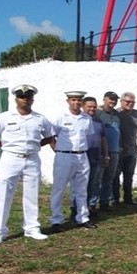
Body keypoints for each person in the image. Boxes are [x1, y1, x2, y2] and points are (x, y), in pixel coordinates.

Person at [0, 84, 54, 245]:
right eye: (22, 97)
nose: (25, 100)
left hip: (32, 159)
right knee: (4, 195)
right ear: (15, 99)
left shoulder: (40, 118)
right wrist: (5, 147)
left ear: (33, 99)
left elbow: (49, 137)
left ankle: (32, 228)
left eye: (28, 97)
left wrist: (35, 146)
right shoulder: (4, 117)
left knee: (32, 194)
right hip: (10, 158)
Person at [49, 91, 97, 231]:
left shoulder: (86, 118)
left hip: (82, 156)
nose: (76, 103)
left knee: (81, 189)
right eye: (73, 100)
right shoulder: (60, 117)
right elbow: (51, 135)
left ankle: (82, 218)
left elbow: (87, 135)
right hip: (64, 156)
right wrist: (57, 150)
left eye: (78, 100)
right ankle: (56, 220)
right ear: (68, 101)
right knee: (59, 188)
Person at [70, 96, 108, 220]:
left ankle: (91, 207)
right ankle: (76, 208)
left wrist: (106, 155)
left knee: (95, 183)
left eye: (94, 106)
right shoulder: (78, 120)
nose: (92, 109)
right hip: (81, 157)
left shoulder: (98, 122)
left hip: (96, 157)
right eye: (89, 107)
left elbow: (103, 139)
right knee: (79, 185)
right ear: (83, 107)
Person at [115, 91, 137, 205]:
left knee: (129, 175)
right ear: (121, 101)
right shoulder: (116, 113)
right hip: (118, 150)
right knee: (115, 177)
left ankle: (128, 198)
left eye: (132, 102)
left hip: (131, 150)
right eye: (127, 101)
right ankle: (115, 199)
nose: (130, 104)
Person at [97, 91, 121, 210]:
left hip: (115, 150)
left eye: (115, 99)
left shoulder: (117, 114)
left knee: (109, 179)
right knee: (98, 178)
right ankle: (92, 204)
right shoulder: (98, 113)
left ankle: (104, 202)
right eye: (110, 99)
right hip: (101, 151)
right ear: (104, 99)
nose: (113, 101)